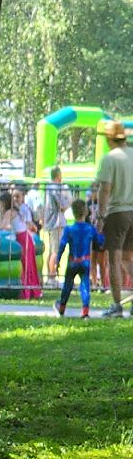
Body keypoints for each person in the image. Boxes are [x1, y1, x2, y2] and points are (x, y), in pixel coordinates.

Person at [93, 119, 133, 317]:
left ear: (110, 139)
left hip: (118, 213)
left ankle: (117, 306)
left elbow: (105, 189)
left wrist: (100, 216)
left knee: (115, 260)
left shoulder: (109, 159)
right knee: (128, 258)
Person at [55, 199, 96, 318]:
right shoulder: (90, 228)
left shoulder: (69, 229)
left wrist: (58, 261)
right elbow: (100, 240)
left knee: (67, 285)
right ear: (86, 212)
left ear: (73, 213)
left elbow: (62, 245)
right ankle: (85, 311)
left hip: (72, 261)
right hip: (86, 261)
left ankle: (62, 307)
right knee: (85, 285)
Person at [41, 168, 72, 282]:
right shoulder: (54, 188)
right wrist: (68, 202)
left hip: (52, 222)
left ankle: (52, 275)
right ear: (58, 175)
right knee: (56, 250)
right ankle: (52, 276)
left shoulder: (49, 187)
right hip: (56, 222)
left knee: (52, 250)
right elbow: (62, 205)